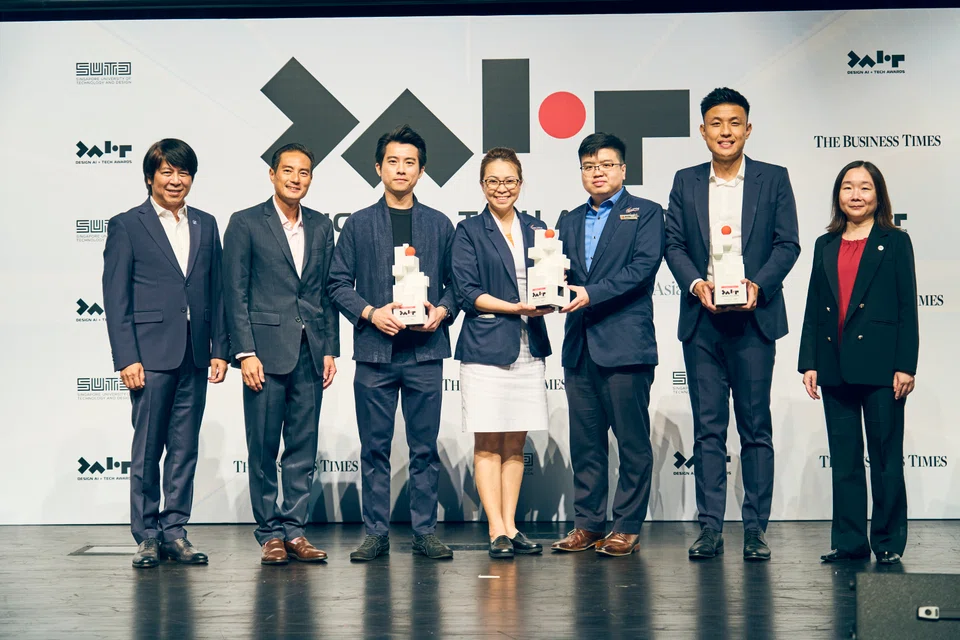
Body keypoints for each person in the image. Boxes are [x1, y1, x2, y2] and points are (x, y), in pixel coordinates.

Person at [664, 87, 800, 561]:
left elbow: (788, 244)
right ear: (703, 131)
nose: (726, 131)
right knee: (707, 429)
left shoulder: (773, 178)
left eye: (734, 122)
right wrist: (696, 285)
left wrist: (758, 285)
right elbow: (674, 245)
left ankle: (757, 528)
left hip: (754, 322)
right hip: (703, 322)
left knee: (755, 427)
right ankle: (710, 527)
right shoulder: (685, 181)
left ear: (748, 127)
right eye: (716, 123)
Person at [328, 125, 459, 561]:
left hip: (425, 352)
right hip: (374, 353)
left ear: (421, 171)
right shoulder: (358, 224)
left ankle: (424, 531)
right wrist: (369, 312)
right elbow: (337, 283)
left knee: (424, 448)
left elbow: (458, 284)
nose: (400, 169)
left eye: (410, 162)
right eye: (393, 161)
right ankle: (376, 532)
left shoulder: (440, 224)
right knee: (375, 448)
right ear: (378, 167)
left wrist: (441, 311)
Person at [102, 138, 229, 568]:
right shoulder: (127, 225)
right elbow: (115, 297)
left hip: (195, 353)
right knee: (148, 448)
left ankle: (175, 531)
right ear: (150, 177)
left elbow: (217, 291)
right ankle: (147, 535)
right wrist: (126, 357)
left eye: (184, 173)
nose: (176, 180)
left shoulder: (206, 224)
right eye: (168, 172)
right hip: (150, 356)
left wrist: (219, 349)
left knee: (184, 447)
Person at [222, 143, 339, 565]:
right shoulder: (246, 222)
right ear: (272, 175)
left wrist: (330, 350)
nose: (296, 178)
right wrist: (244, 352)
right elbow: (233, 293)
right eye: (288, 171)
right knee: (263, 446)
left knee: (302, 447)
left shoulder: (323, 226)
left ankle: (294, 530)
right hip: (263, 354)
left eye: (304, 172)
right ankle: (269, 532)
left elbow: (326, 293)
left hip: (310, 351)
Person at [551, 132, 665, 557]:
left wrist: (590, 294)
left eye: (606, 164)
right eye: (588, 166)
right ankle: (588, 524)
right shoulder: (568, 219)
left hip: (625, 344)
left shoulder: (648, 213)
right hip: (579, 345)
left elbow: (642, 268)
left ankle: (628, 525)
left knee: (632, 442)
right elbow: (558, 272)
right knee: (586, 442)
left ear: (623, 169)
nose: (597, 172)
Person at [798, 161, 917, 565]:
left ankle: (887, 542)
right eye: (848, 187)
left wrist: (906, 364)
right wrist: (809, 361)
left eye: (865, 187)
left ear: (878, 195)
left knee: (886, 458)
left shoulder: (895, 241)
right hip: (834, 365)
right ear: (838, 195)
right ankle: (849, 542)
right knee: (845, 460)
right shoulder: (825, 243)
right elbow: (815, 307)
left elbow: (907, 308)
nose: (855, 194)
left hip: (883, 369)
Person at [451, 147, 551, 558]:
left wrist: (551, 296)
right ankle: (495, 530)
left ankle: (511, 524)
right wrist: (515, 308)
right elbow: (467, 292)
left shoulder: (538, 228)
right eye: (493, 180)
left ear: (521, 184)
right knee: (489, 441)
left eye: (509, 180)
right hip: (486, 346)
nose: (501, 188)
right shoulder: (469, 232)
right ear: (482, 185)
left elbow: (553, 278)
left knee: (515, 440)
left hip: (529, 346)